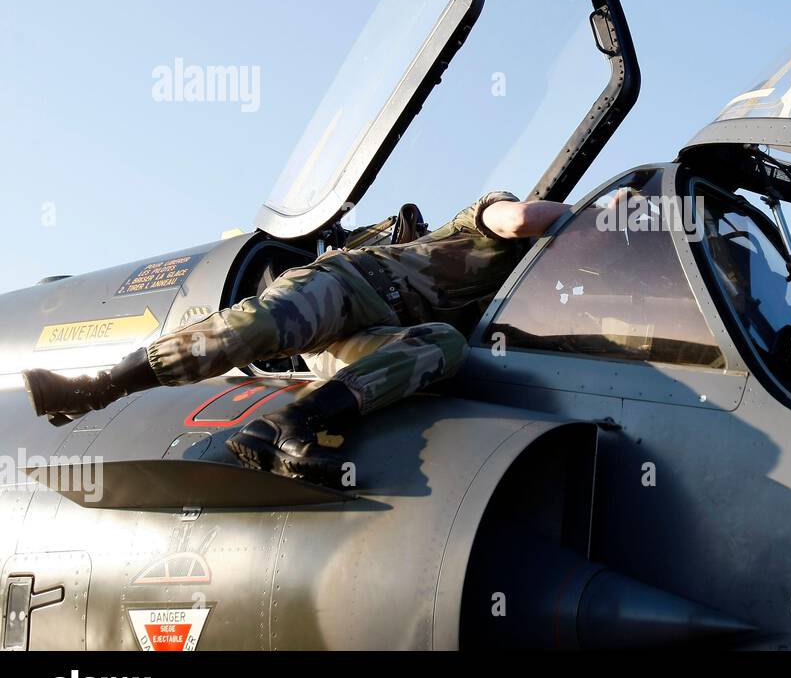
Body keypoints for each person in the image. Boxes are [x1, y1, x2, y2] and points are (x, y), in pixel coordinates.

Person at [22, 191, 570, 486]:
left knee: (444, 345)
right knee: (263, 327)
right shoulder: (485, 219)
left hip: (370, 334)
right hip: (348, 286)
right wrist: (585, 219)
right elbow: (520, 217)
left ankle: (290, 425)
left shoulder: (520, 302)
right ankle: (99, 386)